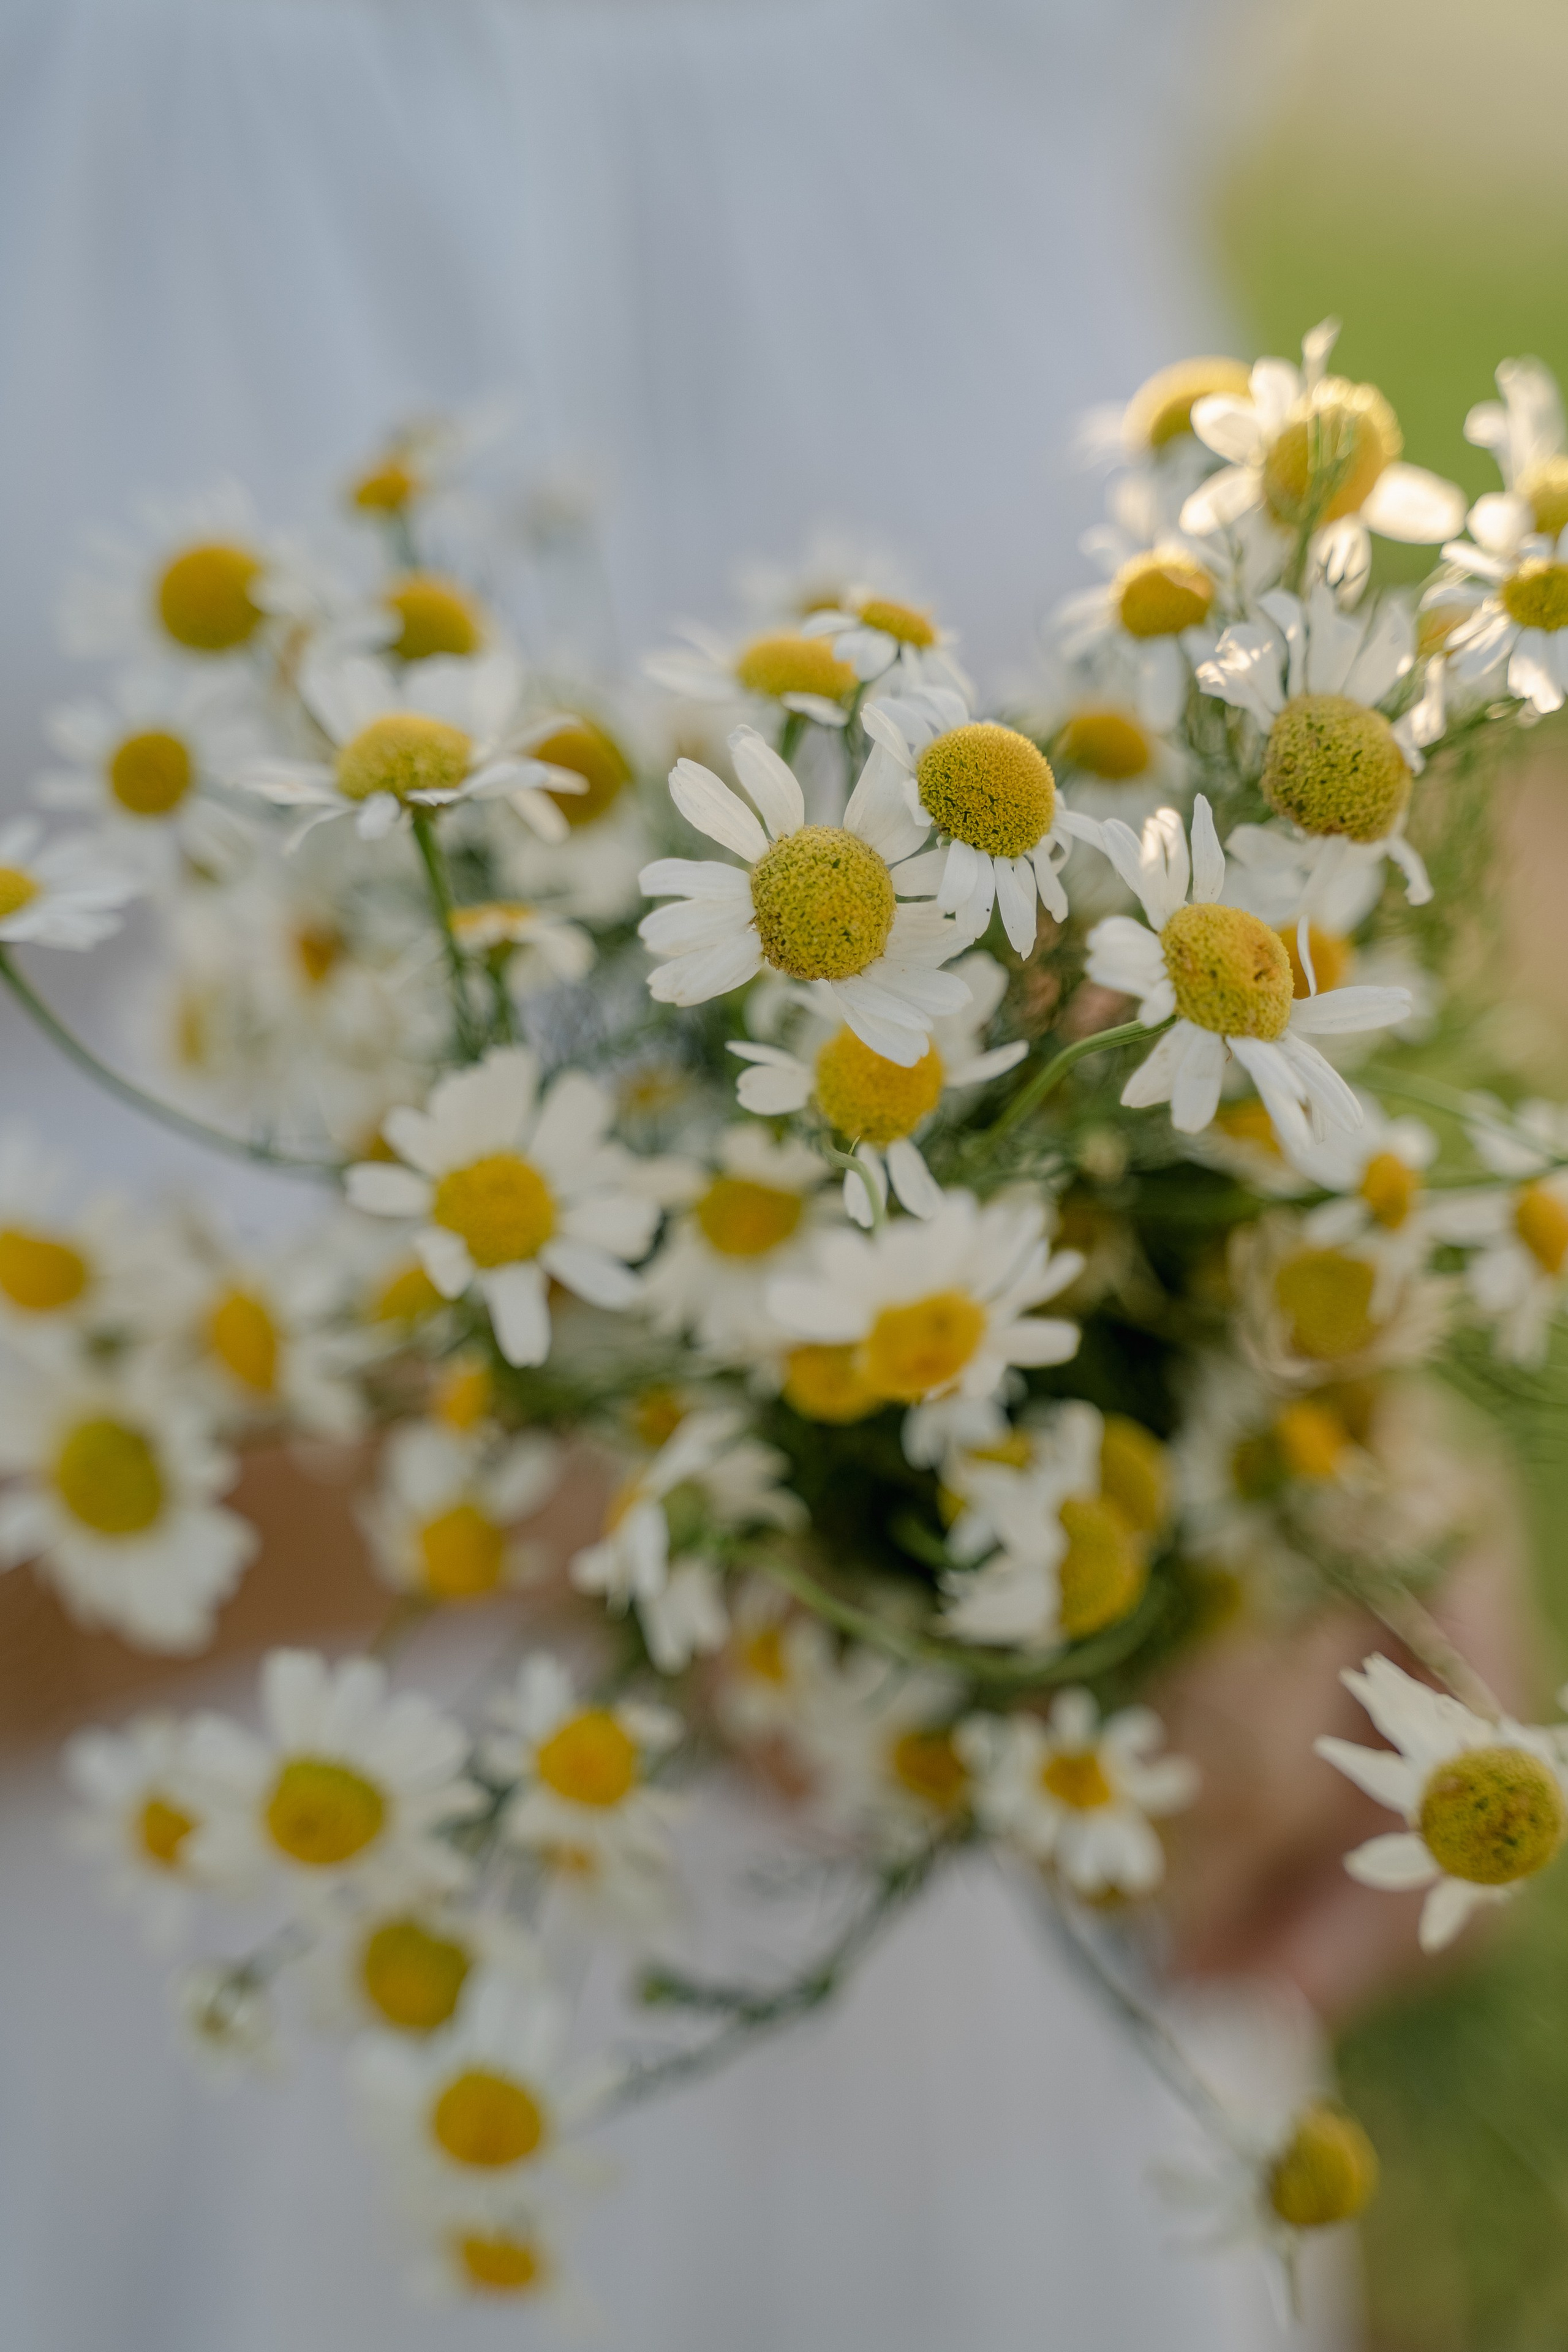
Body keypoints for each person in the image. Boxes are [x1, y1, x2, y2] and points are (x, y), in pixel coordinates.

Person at [0, 1, 1466, 2344]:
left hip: (980, 2024)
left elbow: (1268, 751)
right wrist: (659, 1430)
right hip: (168, 1982)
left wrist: (1341, 1427)